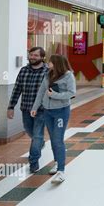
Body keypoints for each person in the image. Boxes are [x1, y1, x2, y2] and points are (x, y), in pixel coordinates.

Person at [31, 54, 76, 184]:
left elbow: (72, 93)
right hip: (47, 111)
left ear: (56, 63)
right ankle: (57, 162)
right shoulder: (48, 74)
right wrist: (35, 107)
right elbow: (41, 92)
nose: (48, 63)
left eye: (50, 62)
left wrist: (54, 95)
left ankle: (61, 171)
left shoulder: (68, 76)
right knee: (53, 139)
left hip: (61, 111)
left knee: (58, 139)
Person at [7, 47, 49, 173]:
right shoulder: (23, 70)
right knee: (30, 132)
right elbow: (17, 89)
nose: (32, 57)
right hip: (26, 108)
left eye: (36, 55)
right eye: (31, 55)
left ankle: (33, 162)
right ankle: (40, 143)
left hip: (42, 110)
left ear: (42, 57)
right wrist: (11, 107)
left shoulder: (48, 71)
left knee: (37, 135)